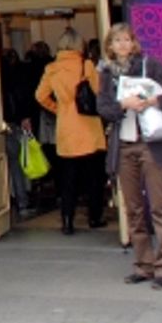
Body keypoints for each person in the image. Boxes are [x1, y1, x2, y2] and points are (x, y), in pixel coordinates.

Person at [97, 23, 162, 289]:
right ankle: (143, 264)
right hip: (124, 146)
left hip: (151, 145)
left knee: (160, 207)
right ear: (110, 46)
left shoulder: (152, 66)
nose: (123, 45)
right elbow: (102, 108)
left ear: (134, 43)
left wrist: (151, 101)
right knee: (133, 209)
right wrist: (122, 105)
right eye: (117, 40)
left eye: (127, 40)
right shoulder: (107, 74)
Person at [35, 30, 107, 236]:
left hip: (66, 130)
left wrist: (60, 109)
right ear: (79, 45)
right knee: (94, 178)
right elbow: (99, 93)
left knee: (68, 181)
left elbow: (40, 96)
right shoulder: (87, 65)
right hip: (90, 129)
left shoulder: (51, 69)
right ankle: (95, 217)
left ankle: (67, 220)